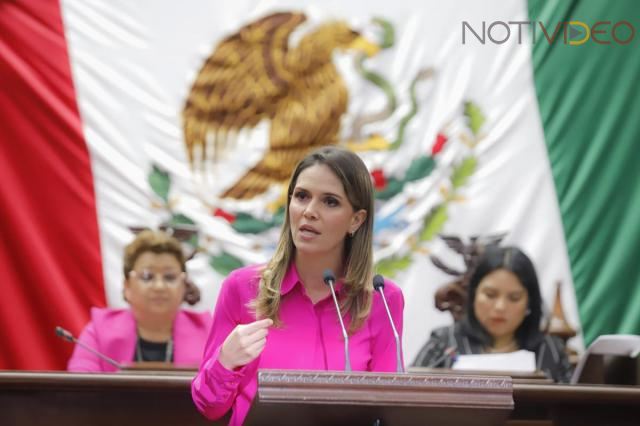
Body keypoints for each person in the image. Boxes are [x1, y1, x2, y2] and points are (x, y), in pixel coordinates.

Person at [192, 146, 404, 425]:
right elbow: (210, 407)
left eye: (330, 201)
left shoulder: (381, 299)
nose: (309, 212)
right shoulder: (242, 288)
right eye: (302, 196)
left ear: (356, 220)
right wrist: (225, 362)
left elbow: (390, 409)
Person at [413, 246, 573, 382]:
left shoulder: (551, 350)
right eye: (490, 295)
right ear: (474, 294)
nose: (500, 307)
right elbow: (407, 397)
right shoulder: (444, 343)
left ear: (530, 302)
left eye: (514, 298)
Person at [67, 229, 211, 372]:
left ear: (183, 285)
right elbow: (78, 390)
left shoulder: (208, 331)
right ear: (127, 286)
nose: (159, 286)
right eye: (147, 276)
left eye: (169, 277)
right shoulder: (99, 330)